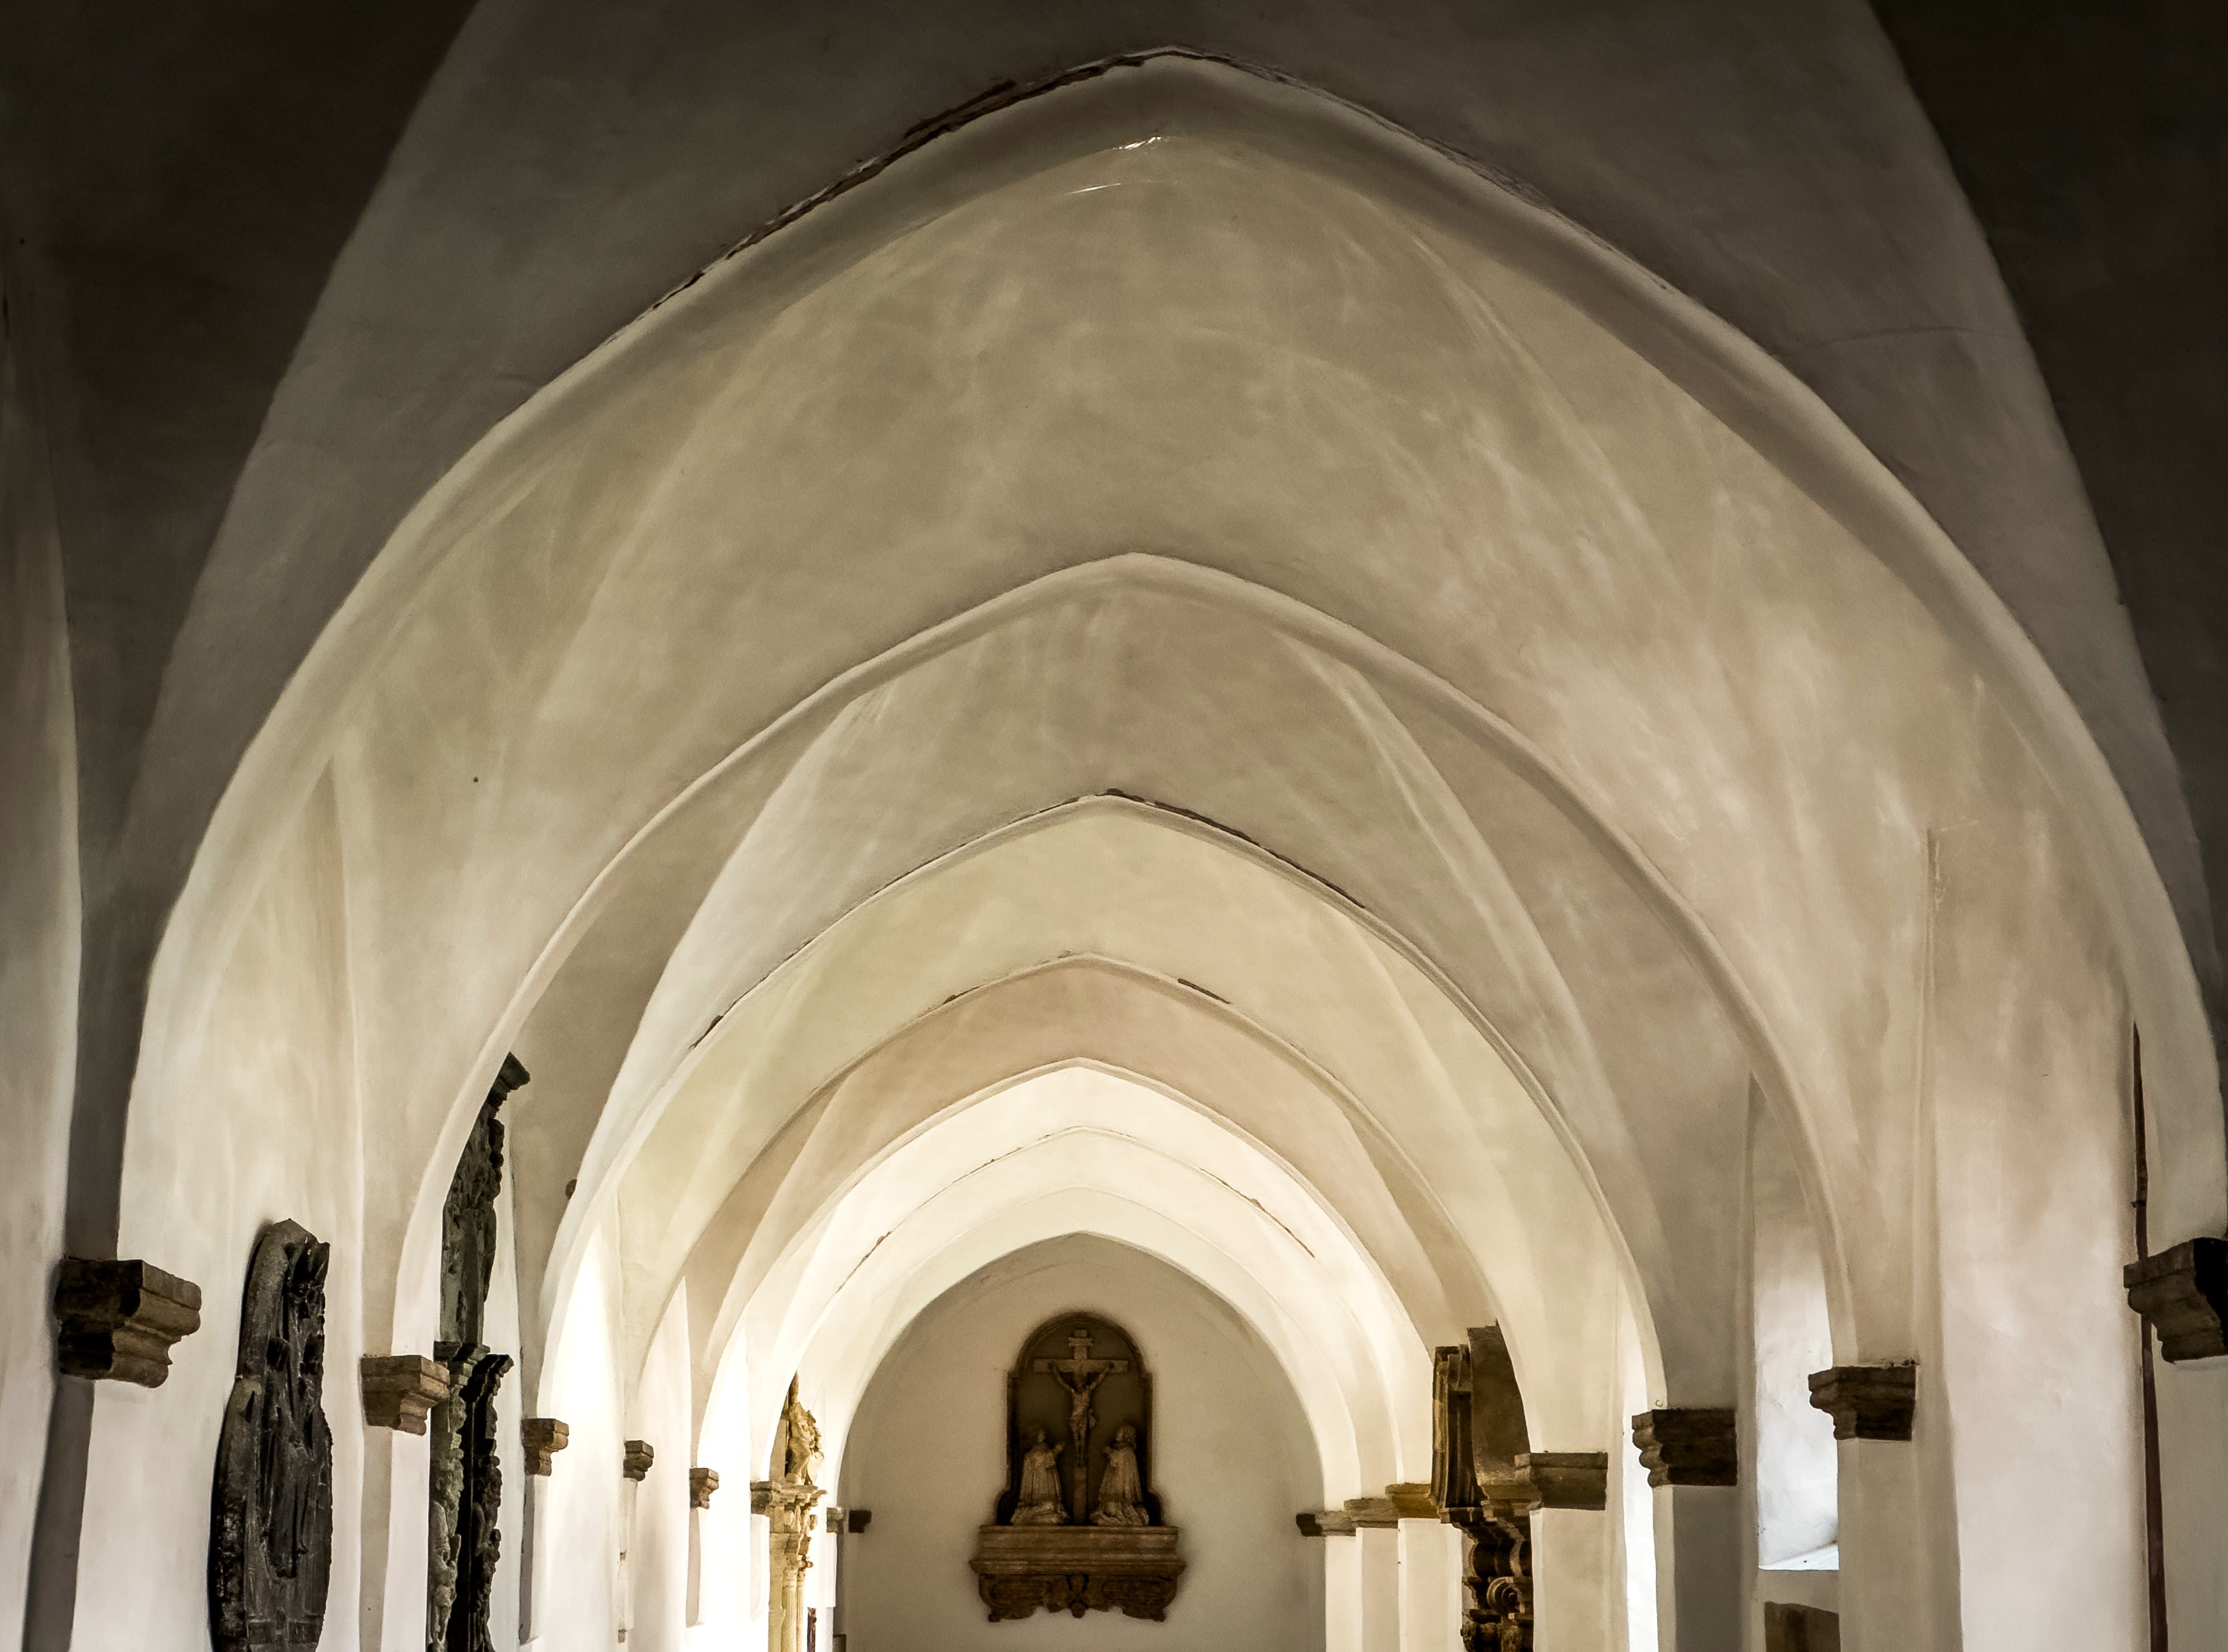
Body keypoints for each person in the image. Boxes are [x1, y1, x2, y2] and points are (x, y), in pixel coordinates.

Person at [1091, 1424, 1148, 1526]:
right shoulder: (1122, 1450)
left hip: (1121, 1481)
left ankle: (1118, 1513)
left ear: (1126, 1435)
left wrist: (1109, 1452)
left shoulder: (1127, 1451)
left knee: (1117, 1500)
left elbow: (1116, 1462)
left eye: (1120, 1432)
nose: (1117, 1434)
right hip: (1115, 1478)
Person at [1013, 1428, 1067, 1524]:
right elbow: (1043, 1460)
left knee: (1052, 1504)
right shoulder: (1034, 1453)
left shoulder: (1043, 1449)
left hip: (1047, 1479)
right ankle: (1039, 1508)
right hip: (1040, 1482)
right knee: (1048, 1504)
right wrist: (1057, 1450)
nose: (1044, 1435)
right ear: (1036, 1437)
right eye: (1041, 1434)